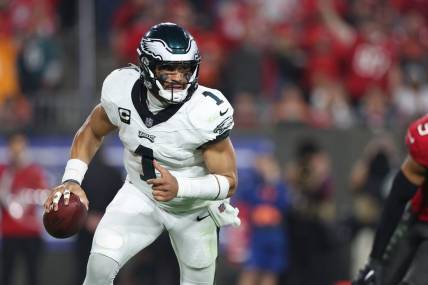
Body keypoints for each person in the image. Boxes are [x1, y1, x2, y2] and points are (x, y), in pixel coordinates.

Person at [44, 22, 239, 285]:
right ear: (147, 65)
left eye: (184, 69)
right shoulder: (121, 90)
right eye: (168, 68)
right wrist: (72, 180)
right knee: (99, 267)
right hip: (140, 194)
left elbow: (228, 181)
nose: (178, 78)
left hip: (193, 208)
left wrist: (180, 186)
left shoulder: (205, 111)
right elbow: (92, 131)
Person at [353, 114, 428, 285]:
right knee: (374, 280)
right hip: (417, 217)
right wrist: (375, 259)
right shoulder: (425, 141)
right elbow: (398, 197)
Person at [0, 132, 49, 285]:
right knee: (7, 275)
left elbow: (45, 196)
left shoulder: (34, 172)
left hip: (31, 233)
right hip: (10, 233)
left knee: (33, 275)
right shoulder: (4, 171)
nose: (17, 149)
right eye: (14, 145)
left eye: (20, 145)